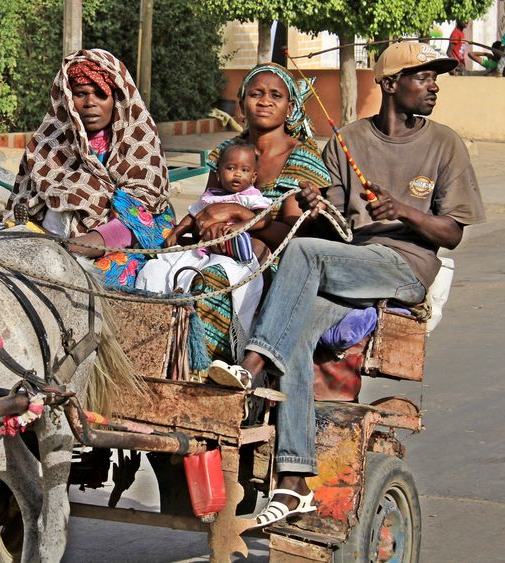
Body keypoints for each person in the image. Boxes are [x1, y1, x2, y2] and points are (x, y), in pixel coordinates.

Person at [210, 42, 485, 529]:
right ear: (388, 84)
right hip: (348, 262)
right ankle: (294, 483)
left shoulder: (445, 144)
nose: (433, 86)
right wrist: (313, 200)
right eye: (422, 77)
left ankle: (251, 365)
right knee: (294, 340)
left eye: (434, 78)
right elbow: (334, 219)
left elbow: (453, 234)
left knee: (301, 254)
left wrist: (403, 211)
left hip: (404, 267)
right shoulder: (349, 139)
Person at [188, 63, 330, 366]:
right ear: (241, 103)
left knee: (212, 280)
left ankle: (209, 373)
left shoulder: (302, 157)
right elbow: (207, 208)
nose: (265, 101)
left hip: (275, 264)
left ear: (290, 107)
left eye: (275, 96)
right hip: (216, 249)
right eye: (256, 94)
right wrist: (212, 227)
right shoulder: (225, 152)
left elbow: (292, 238)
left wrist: (243, 217)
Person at [6, 49, 175, 287]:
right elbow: (22, 209)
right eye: (81, 94)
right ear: (67, 97)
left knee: (100, 279)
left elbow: (137, 218)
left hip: (125, 246)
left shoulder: (138, 143)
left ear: (116, 98)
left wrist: (77, 246)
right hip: (51, 244)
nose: (90, 103)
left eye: (100, 94)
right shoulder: (46, 145)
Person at [134, 142, 269, 367]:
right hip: (203, 250)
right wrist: (176, 233)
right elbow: (191, 216)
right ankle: (157, 331)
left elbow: (265, 217)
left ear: (253, 176)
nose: (237, 174)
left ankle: (208, 352)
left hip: (232, 253)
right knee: (157, 269)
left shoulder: (249, 197)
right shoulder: (210, 196)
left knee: (213, 276)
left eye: (244, 170)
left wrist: (242, 224)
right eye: (231, 168)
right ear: (218, 172)